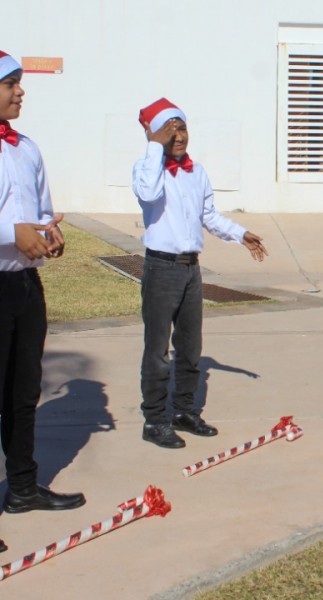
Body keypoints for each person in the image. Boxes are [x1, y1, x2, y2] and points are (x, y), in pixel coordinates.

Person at [133, 98, 267, 449]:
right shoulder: (147, 168)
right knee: (158, 351)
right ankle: (155, 420)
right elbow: (148, 193)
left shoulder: (197, 171)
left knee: (190, 347)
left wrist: (240, 233)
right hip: (161, 268)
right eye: (168, 129)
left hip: (191, 269)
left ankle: (183, 412)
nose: (177, 135)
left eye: (181, 127)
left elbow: (209, 215)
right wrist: (153, 146)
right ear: (153, 134)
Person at [0, 51, 86, 537]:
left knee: (23, 392)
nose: (20, 91)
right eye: (10, 83)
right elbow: (13, 224)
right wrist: (14, 232)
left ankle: (24, 487)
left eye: (19, 82)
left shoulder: (27, 148)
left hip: (25, 286)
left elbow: (42, 207)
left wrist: (47, 233)